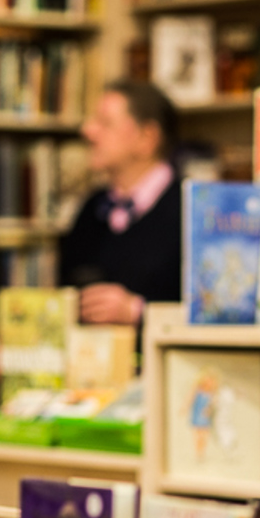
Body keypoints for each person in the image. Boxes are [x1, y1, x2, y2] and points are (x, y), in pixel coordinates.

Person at [59, 80, 182, 332]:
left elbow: (213, 312)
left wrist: (138, 312)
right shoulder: (90, 209)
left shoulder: (191, 210)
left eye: (105, 123)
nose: (88, 131)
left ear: (147, 137)